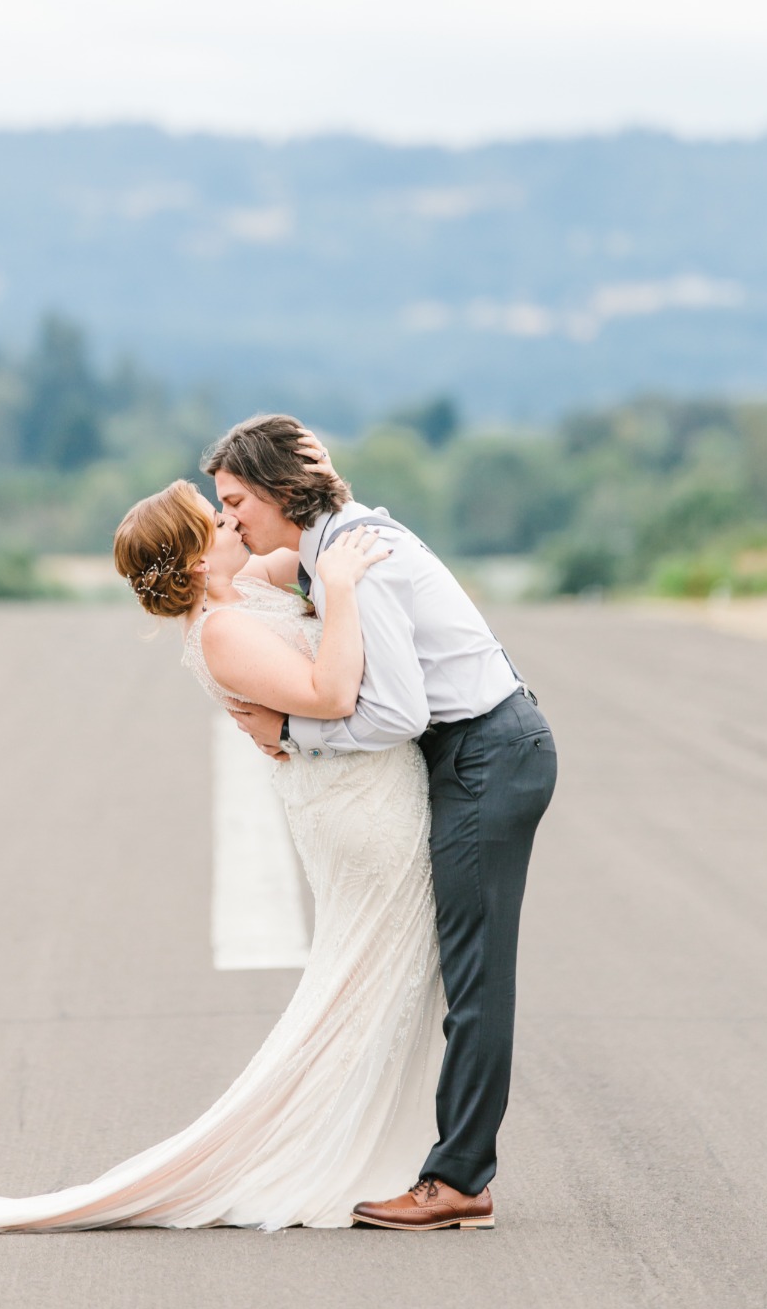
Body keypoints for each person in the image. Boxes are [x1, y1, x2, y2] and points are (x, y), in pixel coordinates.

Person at [0, 472, 447, 1235]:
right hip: (359, 816)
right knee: (370, 974)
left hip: (367, 789)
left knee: (390, 975)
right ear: (196, 561)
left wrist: (315, 498)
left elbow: (299, 545)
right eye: (215, 519)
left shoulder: (241, 586)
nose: (232, 523)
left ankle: (393, 1145)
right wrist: (346, 590)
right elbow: (328, 694)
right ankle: (348, 1152)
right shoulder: (219, 630)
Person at [205, 414, 557, 1232]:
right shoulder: (334, 548)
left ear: (276, 489)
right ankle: (448, 1166)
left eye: (234, 501)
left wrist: (295, 733)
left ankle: (459, 1179)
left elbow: (395, 710)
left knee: (475, 976)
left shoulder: (347, 559)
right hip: (480, 751)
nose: (229, 521)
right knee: (463, 967)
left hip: (487, 755)